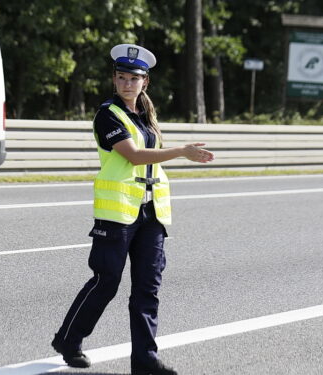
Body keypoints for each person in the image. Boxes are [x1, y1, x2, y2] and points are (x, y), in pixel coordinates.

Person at [51, 43, 214, 375]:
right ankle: (69, 340)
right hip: (118, 212)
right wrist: (182, 151)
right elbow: (134, 156)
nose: (127, 84)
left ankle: (145, 361)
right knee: (106, 281)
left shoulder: (147, 116)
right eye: (122, 77)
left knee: (148, 287)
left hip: (151, 214)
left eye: (134, 79)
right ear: (115, 79)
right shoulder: (108, 114)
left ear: (145, 83)